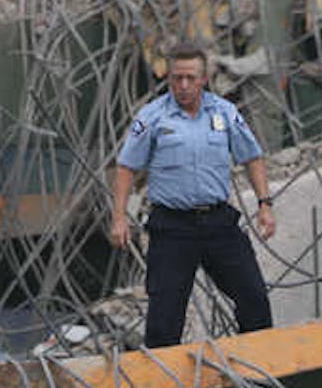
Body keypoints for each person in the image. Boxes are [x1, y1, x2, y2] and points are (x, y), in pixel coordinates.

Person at [110, 41, 276, 348]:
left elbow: (252, 157)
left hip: (219, 223)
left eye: (190, 78)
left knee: (254, 298)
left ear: (203, 79)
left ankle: (256, 366)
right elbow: (126, 167)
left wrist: (265, 204)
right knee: (164, 316)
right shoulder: (152, 116)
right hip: (173, 228)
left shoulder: (225, 112)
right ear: (169, 79)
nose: (183, 85)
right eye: (177, 78)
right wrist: (119, 217)